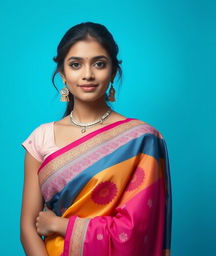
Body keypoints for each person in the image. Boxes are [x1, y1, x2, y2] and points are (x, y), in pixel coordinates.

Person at [20, 22, 172, 256]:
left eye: (99, 64)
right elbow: (28, 227)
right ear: (63, 74)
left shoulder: (143, 139)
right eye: (75, 64)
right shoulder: (41, 138)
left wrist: (60, 225)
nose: (88, 74)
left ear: (112, 72)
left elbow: (138, 230)